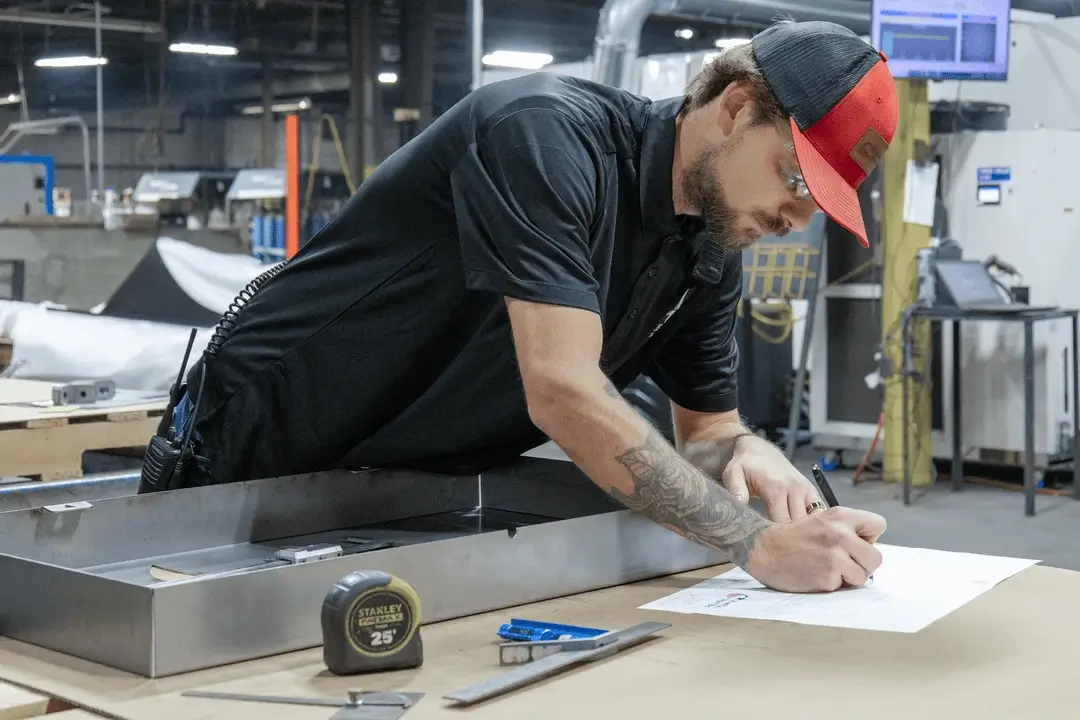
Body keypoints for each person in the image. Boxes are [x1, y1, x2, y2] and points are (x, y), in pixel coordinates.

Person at [139, 20, 898, 594]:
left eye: (821, 206)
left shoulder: (708, 248)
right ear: (735, 108)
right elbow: (562, 390)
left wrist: (744, 451)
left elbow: (705, 429)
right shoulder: (542, 135)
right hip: (249, 462)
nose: (797, 221)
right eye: (795, 182)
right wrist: (755, 544)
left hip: (405, 495)